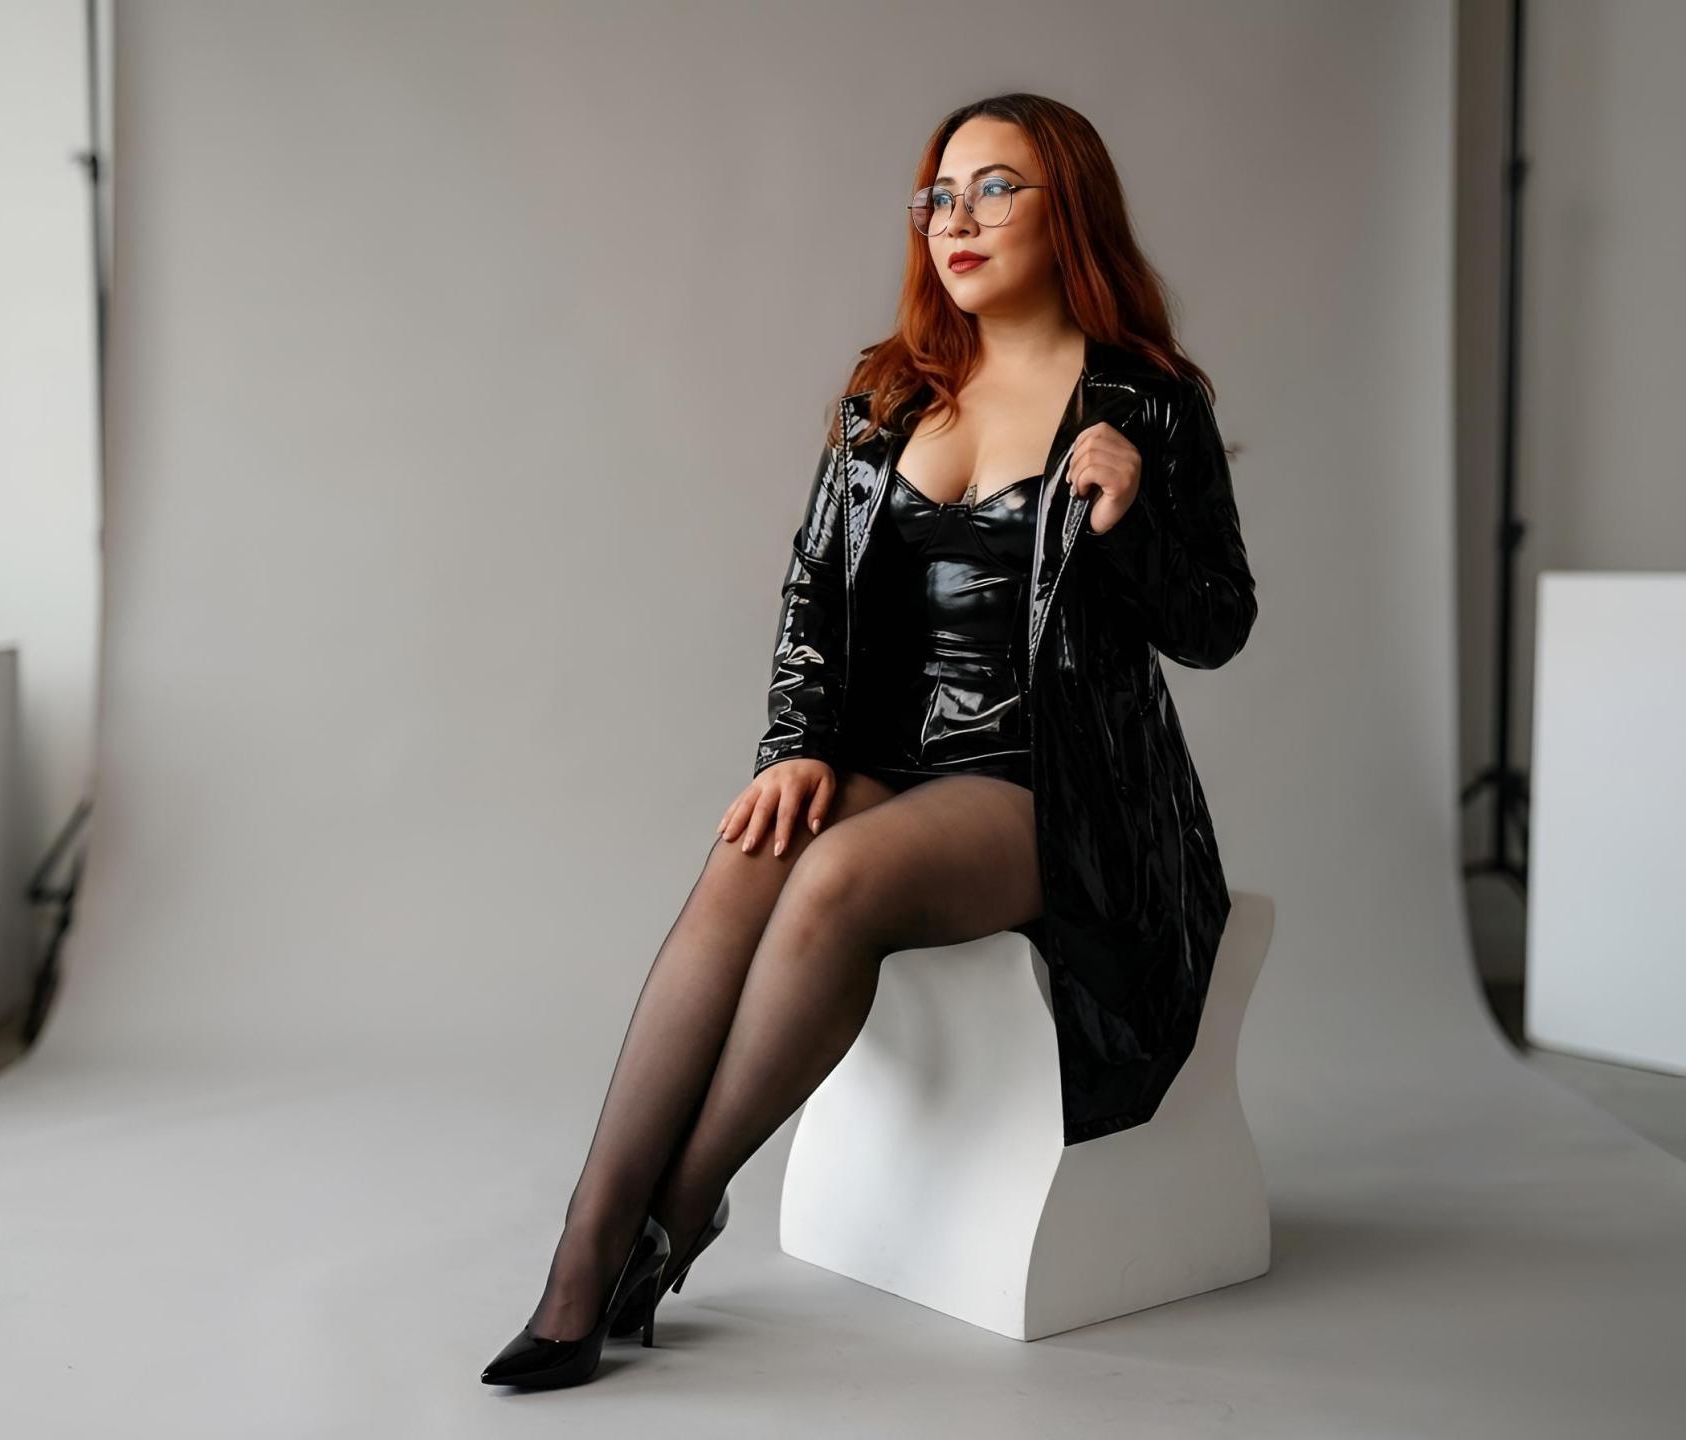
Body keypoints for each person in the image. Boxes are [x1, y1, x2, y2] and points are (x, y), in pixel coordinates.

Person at [482, 91, 1257, 1391]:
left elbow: (1218, 624)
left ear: (1069, 206)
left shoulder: (1147, 404)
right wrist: (796, 745)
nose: (958, 220)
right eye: (940, 196)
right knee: (755, 848)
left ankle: (672, 1213)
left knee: (837, 878)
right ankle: (587, 1252)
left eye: (994, 188)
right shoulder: (890, 390)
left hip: (1055, 785)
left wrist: (1129, 515)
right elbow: (813, 596)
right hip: (891, 759)